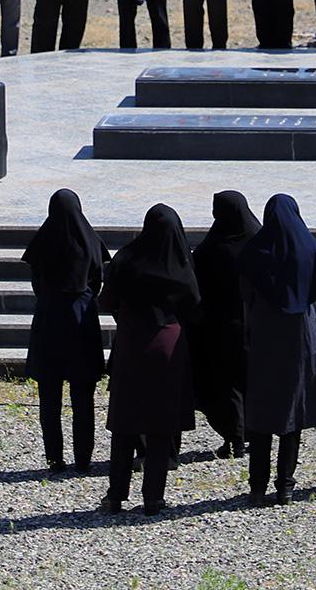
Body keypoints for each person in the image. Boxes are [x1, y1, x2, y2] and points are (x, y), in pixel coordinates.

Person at [98, 204, 200, 516]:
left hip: (131, 343)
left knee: (124, 423)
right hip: (167, 344)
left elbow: (107, 301)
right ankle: (153, 498)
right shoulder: (180, 262)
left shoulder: (127, 257)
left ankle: (115, 495)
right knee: (160, 424)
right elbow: (194, 303)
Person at [237, 194, 316, 505]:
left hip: (264, 331)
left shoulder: (254, 251)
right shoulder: (307, 245)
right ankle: (285, 485)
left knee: (261, 408)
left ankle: (257, 486)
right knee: (292, 406)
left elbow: (245, 294)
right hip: (299, 333)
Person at [21, 189, 109, 473]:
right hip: (81, 320)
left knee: (49, 396)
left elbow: (36, 283)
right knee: (83, 396)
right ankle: (83, 458)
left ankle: (54, 458)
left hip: (49, 320)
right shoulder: (89, 239)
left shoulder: (43, 241)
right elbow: (97, 280)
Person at [190, 191, 259, 458]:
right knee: (252, 378)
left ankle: (234, 436)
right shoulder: (259, 242)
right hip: (255, 324)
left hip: (221, 326)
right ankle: (255, 433)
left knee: (227, 383)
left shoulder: (211, 248)